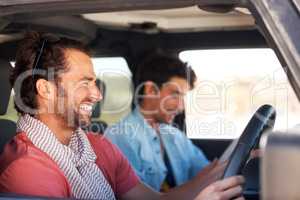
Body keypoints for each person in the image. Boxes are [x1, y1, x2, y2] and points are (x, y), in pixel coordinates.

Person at [0, 31, 244, 200]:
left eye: (95, 83)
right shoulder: (28, 171)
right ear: (46, 89)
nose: (97, 94)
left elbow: (158, 199)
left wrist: (225, 167)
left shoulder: (98, 147)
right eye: (85, 83)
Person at [105, 53, 210, 191]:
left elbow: (205, 171)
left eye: (183, 97)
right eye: (174, 94)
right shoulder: (120, 137)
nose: (181, 106)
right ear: (151, 90)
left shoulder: (175, 136)